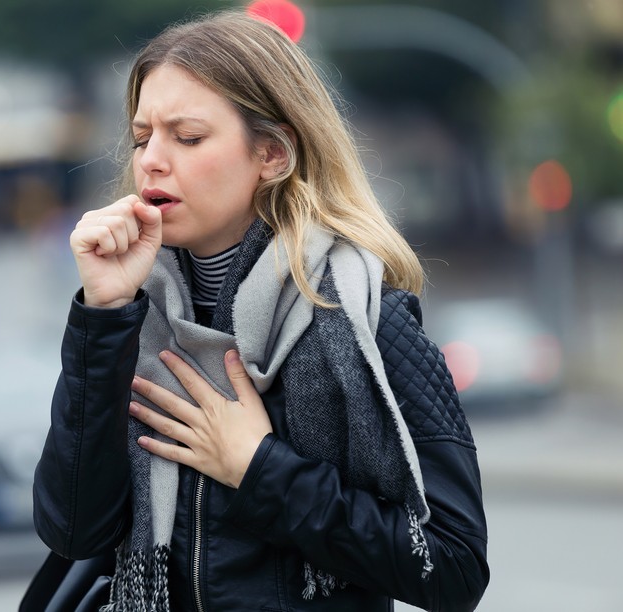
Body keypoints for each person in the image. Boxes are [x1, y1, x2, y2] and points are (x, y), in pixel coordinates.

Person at [33, 8, 489, 612]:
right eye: (143, 137)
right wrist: (103, 311)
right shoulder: (129, 321)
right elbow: (71, 532)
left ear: (272, 154)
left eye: (187, 137)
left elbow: (453, 567)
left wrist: (259, 468)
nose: (151, 160)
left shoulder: (369, 321)